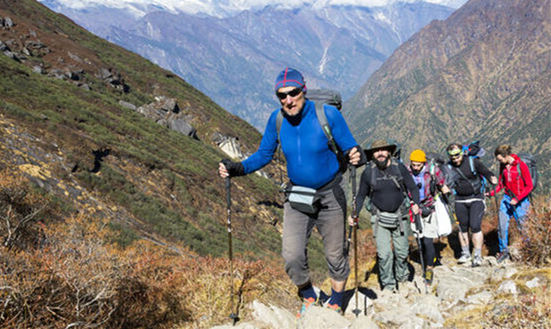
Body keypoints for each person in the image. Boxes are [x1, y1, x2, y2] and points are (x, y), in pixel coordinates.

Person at [218, 67, 364, 315]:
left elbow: (350, 147)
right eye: (282, 95)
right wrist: (238, 168)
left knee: (335, 255)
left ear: (303, 91)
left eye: (293, 93)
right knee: (292, 255)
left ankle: (337, 299)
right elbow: (265, 154)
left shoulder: (327, 115)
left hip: (331, 193)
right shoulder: (277, 120)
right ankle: (308, 295)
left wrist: (356, 155)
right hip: (298, 196)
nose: (288, 100)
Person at [351, 140, 420, 292]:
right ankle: (388, 285)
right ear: (372, 154)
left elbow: (413, 188)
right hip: (379, 219)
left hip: (400, 217)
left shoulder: (399, 168)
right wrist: (354, 213)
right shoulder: (369, 172)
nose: (380, 153)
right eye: (376, 151)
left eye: (383, 150)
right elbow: (361, 195)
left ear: (389, 151)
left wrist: (416, 203)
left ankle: (402, 279)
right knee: (384, 255)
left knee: (402, 252)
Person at [445, 143, 497, 267]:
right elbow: (445, 180)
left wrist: (491, 178)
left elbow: (485, 172)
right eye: (452, 157)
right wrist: (445, 188)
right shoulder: (448, 167)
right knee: (462, 227)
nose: (455, 159)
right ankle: (465, 253)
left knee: (475, 226)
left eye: (457, 156)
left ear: (462, 153)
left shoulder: (473, 162)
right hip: (460, 199)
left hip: (476, 198)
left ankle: (477, 255)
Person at [407, 149, 450, 285]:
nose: (415, 168)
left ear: (423, 163)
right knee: (419, 239)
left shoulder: (432, 171)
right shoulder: (407, 172)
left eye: (418, 165)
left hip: (429, 208)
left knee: (427, 240)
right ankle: (426, 261)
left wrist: (444, 190)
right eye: (413, 165)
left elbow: (441, 183)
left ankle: (429, 268)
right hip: (413, 209)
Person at [487, 145, 533, 263]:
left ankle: (528, 250)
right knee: (502, 226)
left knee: (522, 227)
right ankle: (504, 251)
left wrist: (517, 199)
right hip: (507, 200)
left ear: (506, 156)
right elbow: (502, 184)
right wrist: (492, 193)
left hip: (521, 202)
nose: (499, 161)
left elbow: (529, 186)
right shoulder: (503, 166)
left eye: (500, 159)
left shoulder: (521, 165)